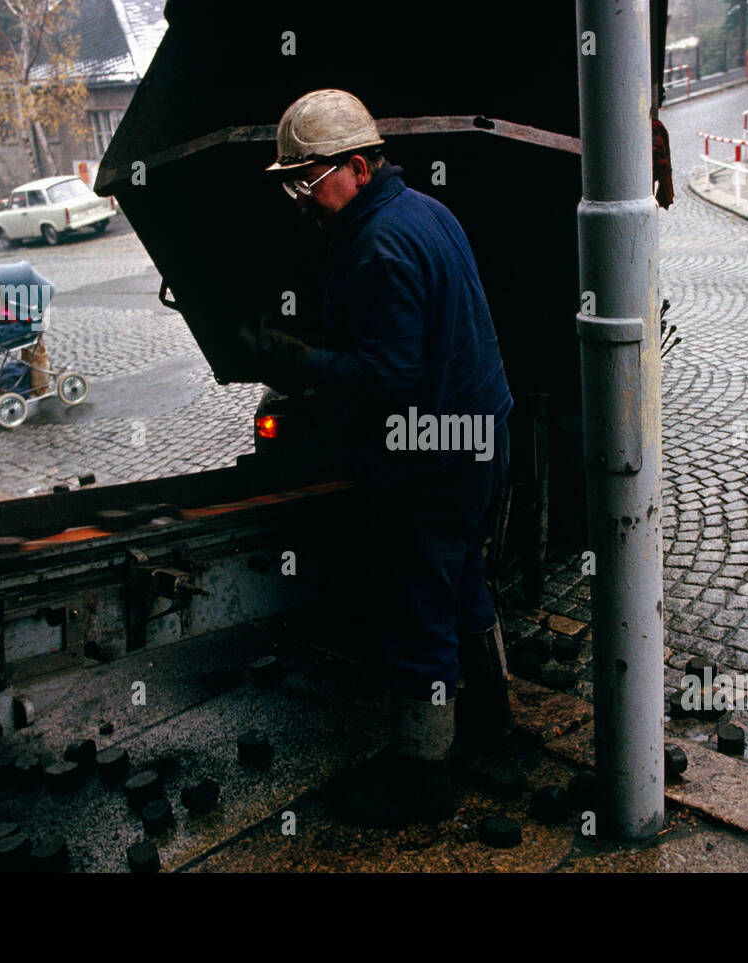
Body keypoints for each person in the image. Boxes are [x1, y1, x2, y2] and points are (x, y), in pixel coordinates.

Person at [257, 89, 514, 824]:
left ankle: (422, 779)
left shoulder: (376, 247)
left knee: (419, 608)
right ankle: (493, 721)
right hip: (482, 430)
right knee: (464, 579)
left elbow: (388, 377)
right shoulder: (428, 212)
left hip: (434, 453)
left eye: (308, 180)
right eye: (293, 183)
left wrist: (301, 361)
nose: (302, 198)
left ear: (359, 168)